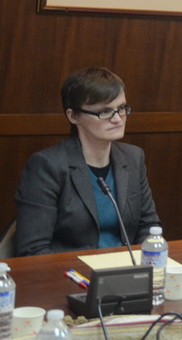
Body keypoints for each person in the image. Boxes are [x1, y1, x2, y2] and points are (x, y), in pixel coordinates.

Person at [15, 67, 161, 256]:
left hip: (126, 268)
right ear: (73, 116)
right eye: (105, 112)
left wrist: (146, 264)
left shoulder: (133, 157)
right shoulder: (47, 165)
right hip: (72, 271)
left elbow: (149, 227)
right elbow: (33, 249)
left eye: (122, 108)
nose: (118, 119)